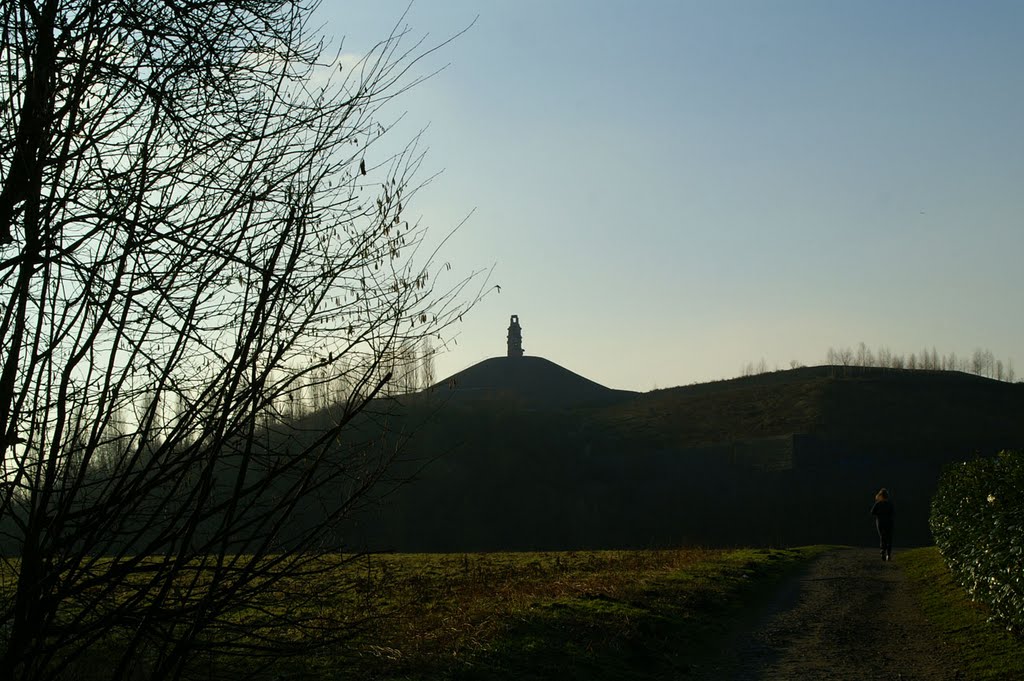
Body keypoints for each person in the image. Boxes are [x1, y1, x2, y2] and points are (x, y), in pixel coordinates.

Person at [871, 488, 895, 561]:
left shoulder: (878, 504)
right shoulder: (890, 504)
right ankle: (889, 554)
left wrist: (879, 514)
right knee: (889, 538)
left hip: (880, 522)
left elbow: (872, 512)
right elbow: (892, 513)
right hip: (889, 523)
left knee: (882, 537)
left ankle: (883, 552)